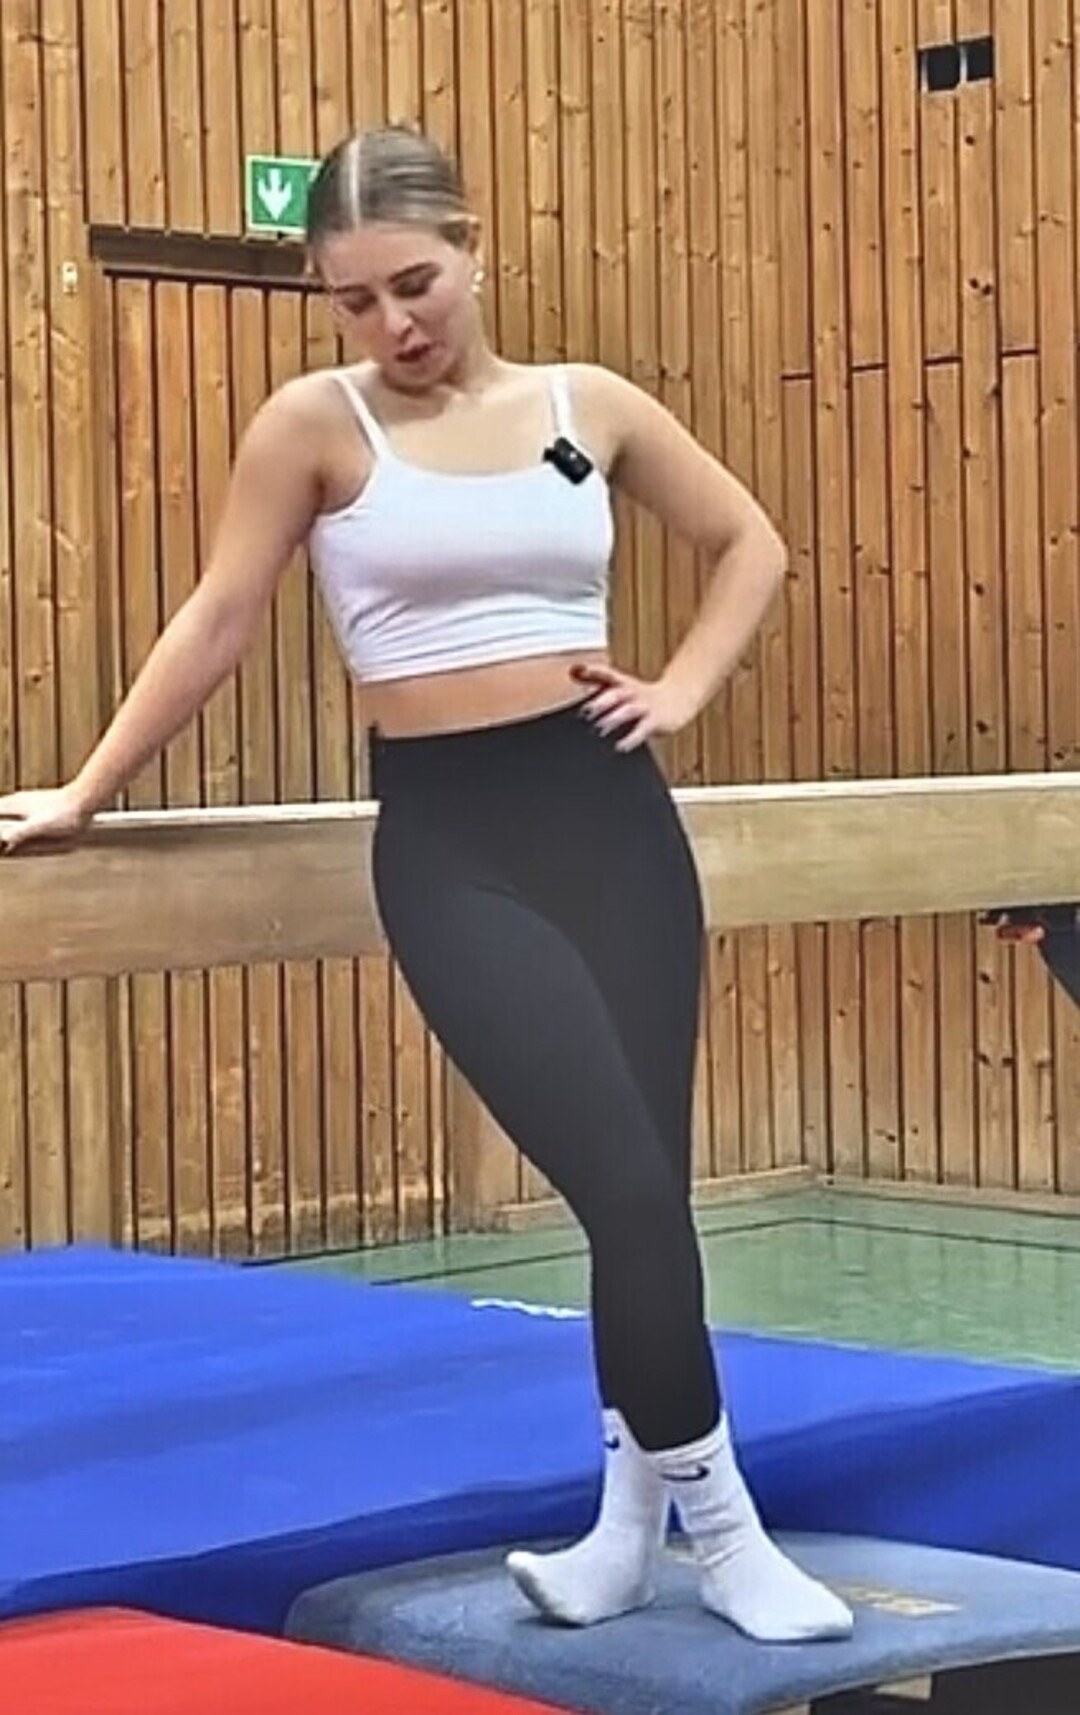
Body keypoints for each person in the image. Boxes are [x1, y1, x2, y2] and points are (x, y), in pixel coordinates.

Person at [0, 126, 852, 1643]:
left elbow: (750, 544)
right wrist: (86, 790)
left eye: (415, 284)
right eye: (354, 301)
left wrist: (682, 689)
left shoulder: (588, 403)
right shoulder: (313, 428)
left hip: (612, 821)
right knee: (630, 1187)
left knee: (643, 1204)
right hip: (455, 848)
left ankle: (621, 1538)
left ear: (472, 250)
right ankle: (727, 1537)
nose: (393, 324)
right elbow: (219, 617)